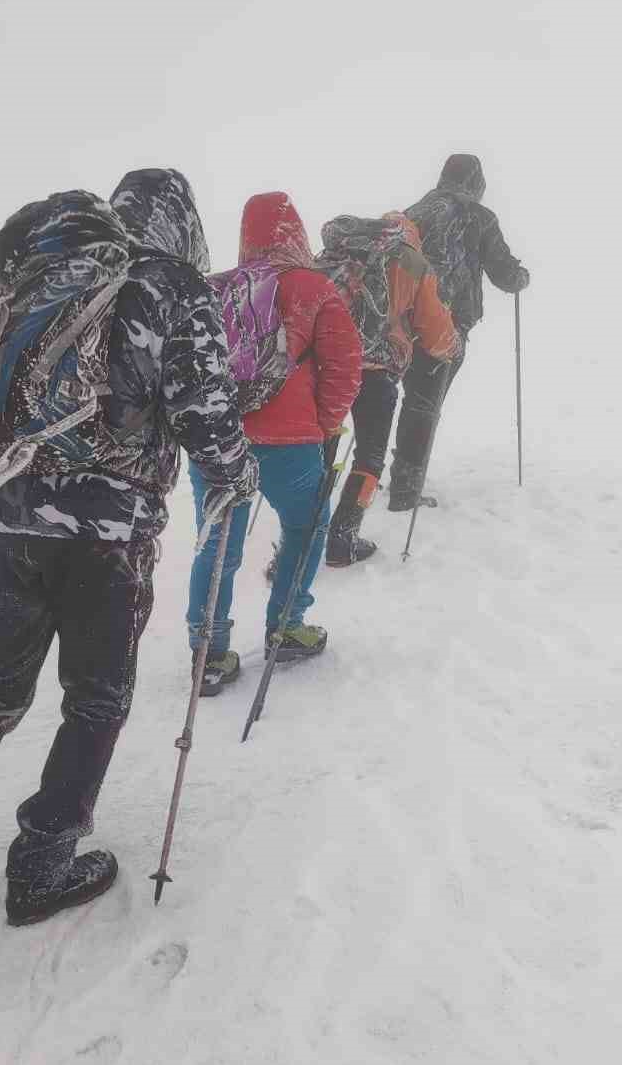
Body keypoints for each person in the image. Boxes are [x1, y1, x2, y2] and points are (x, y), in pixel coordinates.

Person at [0, 169, 257, 928]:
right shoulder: (172, 282)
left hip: (11, 513)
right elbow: (204, 408)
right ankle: (43, 861)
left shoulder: (56, 270)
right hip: (109, 535)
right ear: (181, 221)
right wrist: (237, 473)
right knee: (95, 698)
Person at [186, 191, 362, 694]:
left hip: (219, 441)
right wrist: (322, 424)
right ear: (297, 231)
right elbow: (345, 367)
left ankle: (209, 651)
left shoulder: (216, 290)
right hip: (292, 442)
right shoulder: (312, 287)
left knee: (217, 541)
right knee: (305, 527)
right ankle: (286, 626)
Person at [316, 213, 458, 565]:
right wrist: (453, 344)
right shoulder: (413, 261)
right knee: (369, 455)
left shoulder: (340, 250)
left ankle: (301, 535)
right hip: (376, 372)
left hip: (327, 365)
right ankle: (342, 538)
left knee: (321, 450)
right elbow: (434, 332)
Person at [392, 152, 530, 509]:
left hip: (403, 321)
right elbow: (503, 272)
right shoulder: (479, 216)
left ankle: (387, 473)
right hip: (446, 324)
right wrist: (520, 277)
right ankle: (405, 487)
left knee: (412, 396)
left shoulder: (414, 211)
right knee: (425, 402)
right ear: (476, 181)